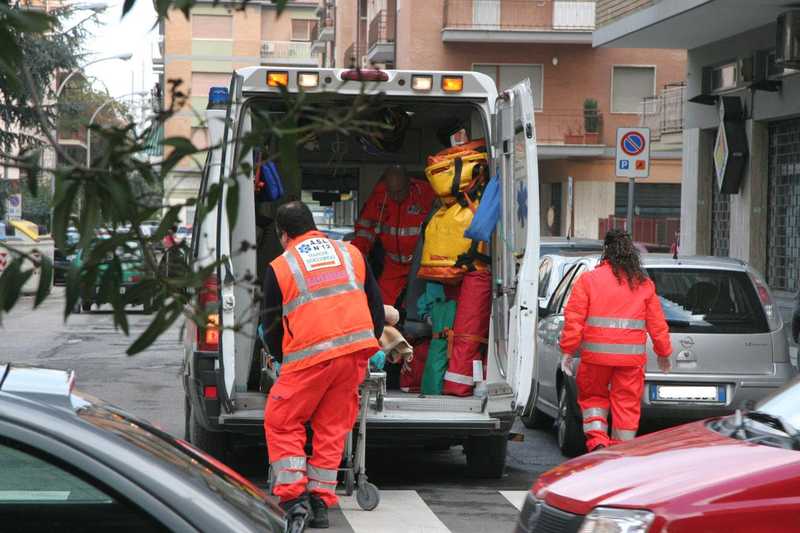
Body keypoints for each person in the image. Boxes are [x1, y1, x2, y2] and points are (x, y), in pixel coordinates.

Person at [261, 201, 384, 530]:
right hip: (352, 356)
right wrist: (363, 349)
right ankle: (319, 502)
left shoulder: (281, 266)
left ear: (283, 235)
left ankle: (294, 499)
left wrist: (281, 358)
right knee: (332, 427)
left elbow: (270, 325)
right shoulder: (350, 254)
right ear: (313, 225)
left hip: (308, 358)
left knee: (282, 420)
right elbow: (376, 309)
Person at [559, 229, 672, 452]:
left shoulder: (589, 280)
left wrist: (568, 351)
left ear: (606, 252)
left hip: (595, 358)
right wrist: (664, 354)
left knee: (593, 398)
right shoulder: (643, 284)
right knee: (627, 405)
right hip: (630, 361)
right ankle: (622, 451)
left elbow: (574, 319)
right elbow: (657, 325)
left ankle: (598, 441)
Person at [352, 164, 436, 307]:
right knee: (382, 306)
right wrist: (356, 257)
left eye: (399, 191)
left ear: (409, 184)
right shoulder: (379, 197)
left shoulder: (426, 192)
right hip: (393, 264)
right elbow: (365, 229)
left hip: (419, 264)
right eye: (392, 192)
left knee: (417, 305)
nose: (395, 196)